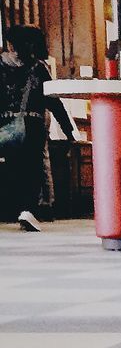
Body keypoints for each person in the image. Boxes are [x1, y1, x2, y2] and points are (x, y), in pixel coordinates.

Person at [0, 26, 78, 232]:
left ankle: (14, 209)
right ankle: (28, 211)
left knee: (12, 170)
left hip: (4, 127)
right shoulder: (38, 68)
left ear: (9, 44)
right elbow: (55, 104)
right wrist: (69, 132)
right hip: (32, 126)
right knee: (32, 170)